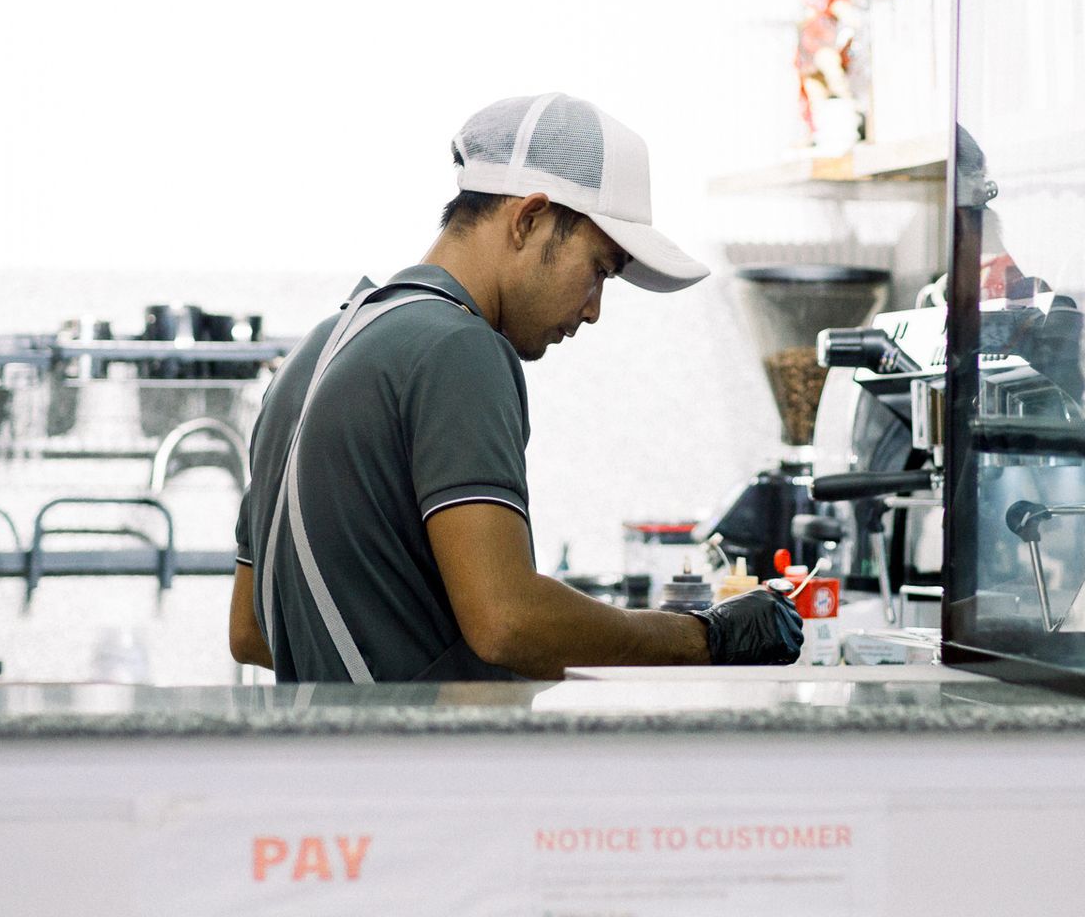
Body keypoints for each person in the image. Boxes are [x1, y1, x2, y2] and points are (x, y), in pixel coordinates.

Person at [229, 93, 804, 681]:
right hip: (417, 765)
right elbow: (508, 621)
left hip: (327, 758)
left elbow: (251, 631)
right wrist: (706, 635)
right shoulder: (457, 348)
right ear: (529, 219)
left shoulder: (316, 349)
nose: (594, 310)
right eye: (599, 269)